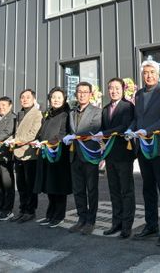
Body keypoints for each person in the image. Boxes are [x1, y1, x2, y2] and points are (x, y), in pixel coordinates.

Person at [129, 60, 160, 246]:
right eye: (145, 72)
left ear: (158, 74)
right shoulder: (139, 94)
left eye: (152, 72)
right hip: (142, 147)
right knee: (148, 187)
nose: (148, 75)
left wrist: (146, 131)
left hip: (159, 147)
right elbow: (137, 118)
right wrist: (130, 129)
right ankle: (151, 225)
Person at [97, 78, 135, 238]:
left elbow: (124, 126)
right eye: (111, 88)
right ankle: (116, 223)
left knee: (126, 190)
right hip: (110, 155)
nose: (114, 91)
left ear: (123, 89)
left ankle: (127, 226)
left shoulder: (128, 106)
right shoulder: (105, 109)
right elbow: (101, 128)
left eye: (117, 88)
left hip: (124, 155)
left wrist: (104, 133)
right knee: (114, 190)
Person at [63, 81, 102, 235]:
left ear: (90, 94)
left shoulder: (97, 111)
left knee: (91, 189)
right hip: (74, 155)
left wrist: (75, 136)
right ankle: (81, 219)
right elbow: (70, 130)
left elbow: (93, 129)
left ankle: (91, 221)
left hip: (89, 155)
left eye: (85, 92)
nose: (82, 95)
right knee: (78, 189)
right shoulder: (72, 112)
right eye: (79, 92)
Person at [34, 87, 72, 228]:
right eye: (53, 97)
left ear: (64, 99)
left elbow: (64, 133)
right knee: (49, 185)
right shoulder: (48, 114)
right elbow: (42, 132)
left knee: (58, 186)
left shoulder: (66, 114)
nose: (56, 100)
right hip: (46, 153)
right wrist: (39, 140)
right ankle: (50, 214)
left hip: (59, 155)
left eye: (59, 97)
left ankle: (59, 216)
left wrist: (50, 142)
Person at [11, 89, 43, 223]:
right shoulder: (20, 114)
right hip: (17, 153)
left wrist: (18, 141)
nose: (24, 99)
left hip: (29, 154)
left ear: (34, 99)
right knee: (21, 185)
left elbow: (34, 133)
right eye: (22, 97)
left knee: (30, 185)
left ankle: (30, 211)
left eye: (28, 97)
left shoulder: (37, 114)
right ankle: (22, 209)